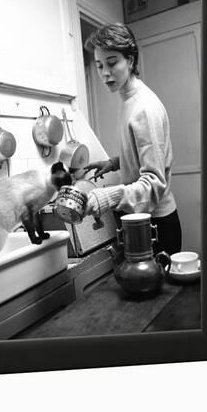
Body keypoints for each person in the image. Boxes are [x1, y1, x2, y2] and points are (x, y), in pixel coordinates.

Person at [83, 22, 182, 256]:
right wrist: (117, 162)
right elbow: (146, 152)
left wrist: (107, 196)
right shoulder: (128, 99)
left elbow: (153, 184)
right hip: (143, 219)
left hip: (156, 224)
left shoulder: (143, 108)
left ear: (130, 59)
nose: (105, 73)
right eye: (99, 65)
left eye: (112, 62)